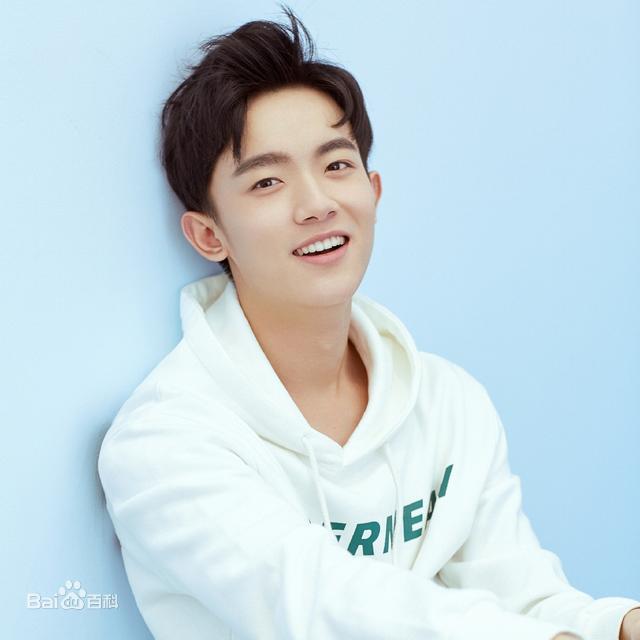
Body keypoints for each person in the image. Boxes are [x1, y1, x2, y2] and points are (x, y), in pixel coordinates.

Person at [97, 5, 639, 639]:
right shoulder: (163, 443)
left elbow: (527, 598)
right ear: (208, 235)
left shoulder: (449, 403)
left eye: (336, 165)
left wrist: (619, 622)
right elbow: (322, 605)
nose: (317, 204)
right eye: (267, 181)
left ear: (373, 192)